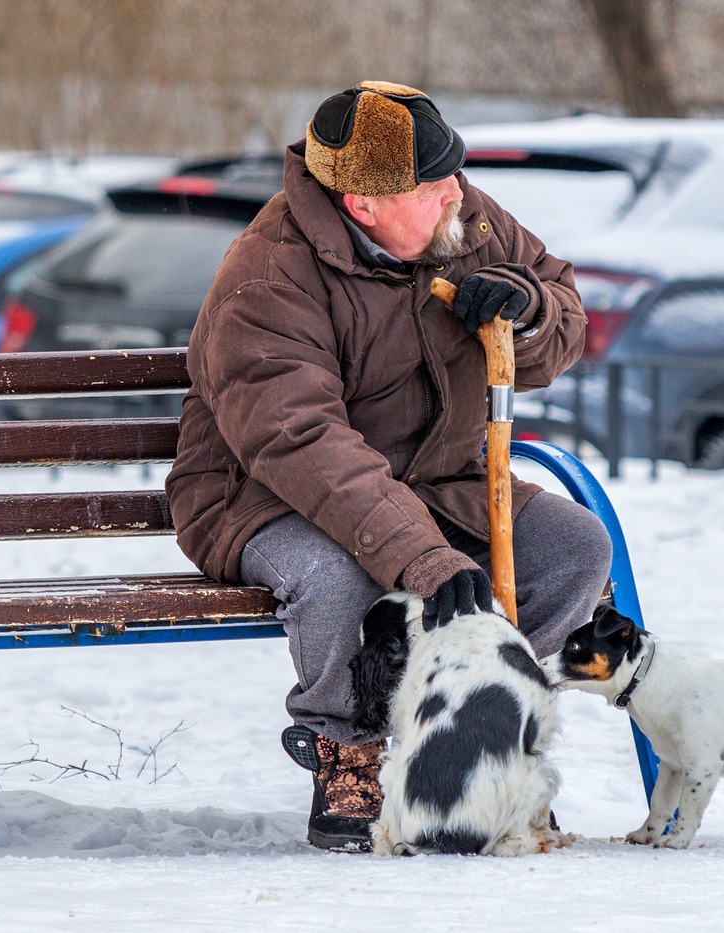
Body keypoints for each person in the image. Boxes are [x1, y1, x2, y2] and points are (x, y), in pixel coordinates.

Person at [166, 80, 613, 851]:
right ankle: (352, 746)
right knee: (337, 576)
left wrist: (530, 310)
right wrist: (425, 562)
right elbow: (303, 444)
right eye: (433, 183)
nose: (457, 194)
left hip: (436, 485)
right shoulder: (268, 276)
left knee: (575, 551)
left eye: (455, 172)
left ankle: (457, 714)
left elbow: (563, 308)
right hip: (266, 498)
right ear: (362, 205)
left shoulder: (461, 219)